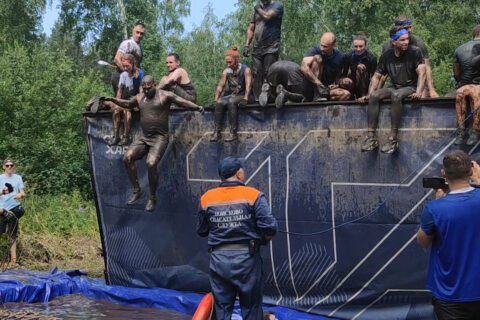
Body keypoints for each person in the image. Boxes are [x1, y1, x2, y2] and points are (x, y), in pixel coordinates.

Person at [104, 75, 204, 211]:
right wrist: (112, 99)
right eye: (144, 88)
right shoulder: (140, 97)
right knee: (127, 157)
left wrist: (197, 107)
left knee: (151, 163)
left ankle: (152, 197)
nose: (146, 91)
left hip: (160, 138)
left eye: (149, 88)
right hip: (144, 137)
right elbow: (127, 104)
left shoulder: (164, 95)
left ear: (154, 85)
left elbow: (182, 101)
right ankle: (137, 190)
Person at [197, 157, 277, 320]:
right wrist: (264, 238)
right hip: (247, 261)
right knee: (251, 307)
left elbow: (202, 230)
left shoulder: (207, 198)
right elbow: (270, 227)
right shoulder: (253, 196)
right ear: (239, 174)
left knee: (223, 309)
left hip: (219, 262)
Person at [417, 150, 480, 320]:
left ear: (444, 174)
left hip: (449, 294)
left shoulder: (434, 209)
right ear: (471, 172)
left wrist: (438, 203)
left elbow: (422, 241)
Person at [358, 26, 426, 154]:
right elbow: (376, 77)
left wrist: (419, 92)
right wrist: (369, 94)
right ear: (394, 41)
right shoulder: (386, 56)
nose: (406, 42)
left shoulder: (415, 52)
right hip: (394, 86)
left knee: (396, 95)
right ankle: (371, 138)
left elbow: (422, 73)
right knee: (374, 96)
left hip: (410, 87)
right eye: (402, 40)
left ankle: (393, 139)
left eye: (407, 39)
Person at [381, 16, 438, 98]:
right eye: (406, 28)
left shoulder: (417, 43)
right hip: (396, 84)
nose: (409, 30)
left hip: (416, 82)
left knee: (421, 97)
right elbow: (382, 73)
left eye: (410, 27)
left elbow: (427, 67)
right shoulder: (388, 46)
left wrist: (432, 90)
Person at [210, 46, 253, 143]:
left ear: (237, 60)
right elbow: (220, 86)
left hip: (245, 96)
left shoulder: (246, 70)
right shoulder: (227, 71)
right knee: (220, 102)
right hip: (233, 96)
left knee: (231, 101)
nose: (228, 64)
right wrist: (215, 100)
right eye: (227, 62)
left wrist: (246, 98)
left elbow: (248, 85)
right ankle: (217, 132)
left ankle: (233, 133)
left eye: (230, 62)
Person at [243, 0, 283, 100]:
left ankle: (271, 97)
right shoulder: (258, 9)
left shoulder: (277, 5)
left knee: (269, 71)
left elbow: (267, 16)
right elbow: (251, 28)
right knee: (256, 73)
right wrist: (247, 45)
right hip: (257, 47)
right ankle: (258, 99)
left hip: (271, 46)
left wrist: (257, 8)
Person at [104, 53, 144, 146]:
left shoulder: (140, 74)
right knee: (117, 110)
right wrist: (117, 102)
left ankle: (126, 137)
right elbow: (120, 90)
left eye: (127, 66)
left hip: (136, 99)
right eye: (124, 66)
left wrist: (138, 102)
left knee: (127, 111)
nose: (125, 68)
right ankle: (116, 136)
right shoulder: (123, 75)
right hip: (125, 99)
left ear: (133, 64)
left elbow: (141, 91)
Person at [301, 32, 352, 101]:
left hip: (326, 90)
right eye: (321, 45)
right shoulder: (314, 50)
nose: (322, 48)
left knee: (346, 94)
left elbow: (340, 77)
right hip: (311, 87)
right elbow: (303, 67)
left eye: (325, 47)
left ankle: (327, 104)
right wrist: (319, 84)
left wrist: (337, 85)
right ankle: (316, 94)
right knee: (317, 58)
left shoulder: (341, 57)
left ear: (333, 45)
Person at [452, 25, 480, 145]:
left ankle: (461, 131)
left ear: (473, 34)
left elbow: (456, 72)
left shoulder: (459, 49)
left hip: (465, 84)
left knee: (460, 93)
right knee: (476, 93)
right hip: (476, 85)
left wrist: (460, 82)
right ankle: (475, 131)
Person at [0, 159, 26, 265]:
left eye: (11, 165)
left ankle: (13, 260)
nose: (9, 167)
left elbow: (23, 193)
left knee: (12, 235)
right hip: (2, 209)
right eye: (7, 165)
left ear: (14, 166)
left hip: (14, 208)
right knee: (0, 233)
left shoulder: (18, 178)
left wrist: (20, 195)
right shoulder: (0, 178)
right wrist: (3, 192)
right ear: (3, 167)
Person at [111, 22, 145, 95]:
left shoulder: (140, 48)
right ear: (132, 31)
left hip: (134, 79)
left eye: (141, 33)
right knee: (122, 102)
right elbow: (116, 59)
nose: (139, 35)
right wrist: (127, 71)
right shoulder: (127, 43)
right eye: (137, 32)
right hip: (121, 77)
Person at [347, 32, 377, 99]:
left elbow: (374, 77)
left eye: (361, 46)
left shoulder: (372, 58)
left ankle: (363, 95)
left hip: (365, 83)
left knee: (361, 67)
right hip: (352, 82)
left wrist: (371, 93)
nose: (358, 49)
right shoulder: (349, 56)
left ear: (365, 46)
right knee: (345, 81)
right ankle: (350, 97)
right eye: (356, 46)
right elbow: (344, 73)